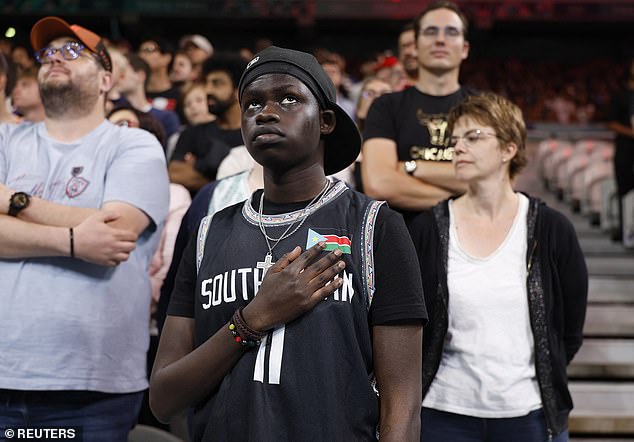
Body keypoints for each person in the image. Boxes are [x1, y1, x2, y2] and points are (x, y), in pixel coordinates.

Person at [150, 46, 426, 441]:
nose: (265, 112)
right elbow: (163, 398)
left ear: (326, 120)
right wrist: (251, 320)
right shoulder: (209, 233)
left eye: (288, 98)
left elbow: (402, 405)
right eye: (252, 104)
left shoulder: (374, 225)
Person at [0, 16, 169, 440]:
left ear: (106, 79)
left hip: (90, 385)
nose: (55, 58)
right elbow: (94, 234)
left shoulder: (134, 144)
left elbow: (115, 230)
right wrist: (74, 240)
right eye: (47, 53)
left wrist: (10, 201)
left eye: (73, 51)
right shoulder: (5, 140)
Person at [408, 93, 588, 441]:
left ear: (509, 149)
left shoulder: (552, 229)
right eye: (455, 139)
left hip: (529, 416)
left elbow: (569, 331)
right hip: (443, 413)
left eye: (473, 137)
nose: (458, 147)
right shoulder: (428, 228)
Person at [362, 0, 476, 223]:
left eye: (451, 32)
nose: (440, 40)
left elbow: (496, 180)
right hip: (405, 242)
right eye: (431, 31)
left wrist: (410, 167)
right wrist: (463, 198)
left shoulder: (487, 109)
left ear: (464, 49)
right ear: (415, 45)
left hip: (472, 242)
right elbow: (379, 184)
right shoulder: (386, 106)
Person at [168, 53, 245, 194]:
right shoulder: (192, 132)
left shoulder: (253, 135)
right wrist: (227, 187)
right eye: (207, 83)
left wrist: (198, 170)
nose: (208, 90)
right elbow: (175, 173)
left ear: (237, 90)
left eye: (217, 83)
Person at [606, 58, 634, 244]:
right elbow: (612, 123)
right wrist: (631, 133)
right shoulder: (621, 96)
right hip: (626, 151)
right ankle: (626, 232)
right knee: (624, 192)